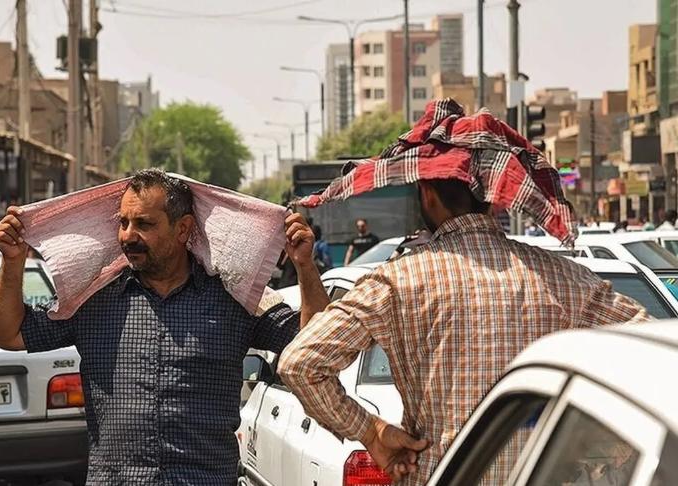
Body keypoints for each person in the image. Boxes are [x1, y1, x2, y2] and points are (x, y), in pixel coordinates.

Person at [277, 99, 649, 485]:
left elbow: (301, 363)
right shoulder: (564, 279)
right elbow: (657, 361)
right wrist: (589, 449)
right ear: (489, 195)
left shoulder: (396, 281)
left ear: (427, 194)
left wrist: (372, 432)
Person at [0, 169, 330, 485]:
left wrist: (305, 267)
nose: (128, 236)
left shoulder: (233, 300)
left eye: (144, 224)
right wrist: (13, 261)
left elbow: (317, 347)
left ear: (182, 229)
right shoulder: (92, 300)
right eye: (123, 222)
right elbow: (9, 334)